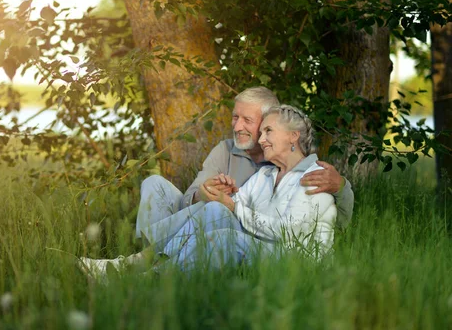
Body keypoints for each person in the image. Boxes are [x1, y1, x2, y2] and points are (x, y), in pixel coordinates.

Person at [80, 88, 353, 275]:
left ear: (289, 134)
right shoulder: (248, 163)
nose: (239, 127)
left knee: (220, 223)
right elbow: (204, 199)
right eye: (235, 117)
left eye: (251, 121)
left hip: (275, 249)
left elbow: (310, 227)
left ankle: (137, 267)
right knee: (188, 198)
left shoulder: (312, 174)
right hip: (218, 225)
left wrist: (342, 186)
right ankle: (142, 263)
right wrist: (208, 192)